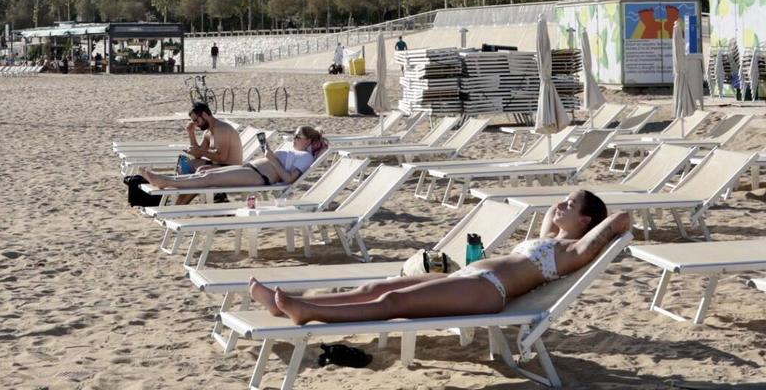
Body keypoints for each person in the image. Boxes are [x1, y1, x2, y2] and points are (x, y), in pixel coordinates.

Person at [248, 190, 630, 325]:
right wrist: (570, 205)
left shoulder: (568, 251)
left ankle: (308, 312)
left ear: (585, 220)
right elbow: (551, 212)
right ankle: (291, 306)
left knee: (392, 302)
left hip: (487, 291)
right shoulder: (550, 236)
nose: (561, 204)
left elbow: (616, 221)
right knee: (375, 286)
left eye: (571, 204)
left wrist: (598, 220)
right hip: (467, 277)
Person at [139, 125, 327, 190]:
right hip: (250, 168)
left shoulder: (305, 158)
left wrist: (271, 157)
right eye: (293, 135)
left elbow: (287, 179)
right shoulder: (293, 150)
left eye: (297, 137)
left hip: (259, 177)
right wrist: (269, 156)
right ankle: (169, 180)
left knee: (209, 178)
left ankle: (165, 181)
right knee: (205, 170)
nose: (293, 139)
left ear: (309, 140)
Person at [181, 102, 243, 171]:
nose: (196, 124)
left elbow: (222, 157)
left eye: (196, 120)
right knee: (189, 163)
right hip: (220, 166)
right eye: (193, 121)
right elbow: (197, 155)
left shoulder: (221, 129)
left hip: (232, 169)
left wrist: (200, 152)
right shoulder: (208, 132)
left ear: (204, 115)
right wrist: (191, 133)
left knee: (202, 170)